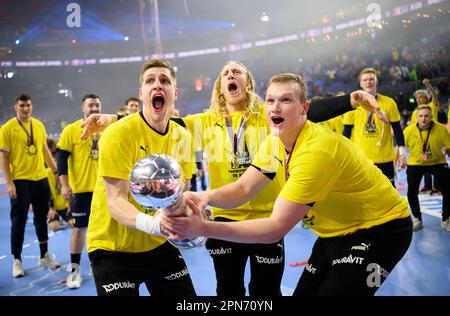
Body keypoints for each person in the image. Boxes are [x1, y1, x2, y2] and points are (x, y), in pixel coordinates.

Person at [80, 61, 385, 296]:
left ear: (247, 82)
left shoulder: (266, 118)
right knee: (229, 292)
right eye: (225, 73)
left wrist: (350, 100)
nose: (230, 76)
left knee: (266, 292)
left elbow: (305, 112)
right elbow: (159, 119)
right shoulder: (203, 123)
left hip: (266, 216)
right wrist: (113, 119)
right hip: (224, 219)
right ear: (220, 86)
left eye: (236, 71)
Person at [162, 73, 413, 296]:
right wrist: (203, 197)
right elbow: (244, 188)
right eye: (270, 100)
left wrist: (202, 228)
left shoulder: (316, 151)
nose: (275, 107)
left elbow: (275, 229)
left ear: (304, 108)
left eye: (285, 100)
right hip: (334, 233)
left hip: (382, 229)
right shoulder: (275, 141)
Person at [86, 59, 196, 296]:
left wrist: (185, 217)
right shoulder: (118, 133)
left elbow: (182, 188)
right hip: (113, 247)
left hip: (157, 244)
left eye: (164, 80)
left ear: (174, 93)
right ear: (141, 93)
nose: (157, 85)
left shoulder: (183, 136)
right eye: (150, 81)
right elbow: (115, 201)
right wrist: (154, 224)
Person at [0, 93, 61, 278]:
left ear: (31, 106)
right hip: (20, 180)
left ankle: (44, 255)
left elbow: (44, 150)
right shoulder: (8, 128)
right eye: (21, 106)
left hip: (40, 179)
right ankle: (17, 260)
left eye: (28, 105)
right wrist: (9, 182)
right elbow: (3, 157)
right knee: (18, 222)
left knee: (41, 219)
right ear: (15, 107)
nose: (25, 109)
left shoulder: (38, 125)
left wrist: (55, 171)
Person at [57, 94, 102, 289]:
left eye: (97, 105)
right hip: (81, 190)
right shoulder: (71, 130)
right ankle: (75, 271)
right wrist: (65, 185)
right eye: (90, 105)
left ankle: (99, 266)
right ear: (83, 108)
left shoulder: (108, 128)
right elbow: (61, 161)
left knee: (103, 229)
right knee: (79, 230)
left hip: (104, 189)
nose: (94, 108)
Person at [343, 68, 406, 187]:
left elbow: (397, 129)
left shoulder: (389, 103)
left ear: (377, 81)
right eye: (365, 80)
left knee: (389, 195)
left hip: (385, 159)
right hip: (361, 160)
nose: (368, 82)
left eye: (371, 79)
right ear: (361, 83)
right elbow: (346, 133)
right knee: (363, 195)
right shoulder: (352, 105)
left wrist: (402, 153)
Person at [403, 105, 450, 232]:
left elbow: (448, 146)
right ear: (416, 117)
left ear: (431, 117)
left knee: (448, 190)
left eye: (426, 116)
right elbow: (402, 146)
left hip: (437, 161)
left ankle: (446, 219)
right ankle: (417, 218)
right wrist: (400, 158)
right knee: (411, 192)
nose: (423, 119)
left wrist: (447, 149)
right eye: (421, 116)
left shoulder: (441, 129)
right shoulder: (408, 131)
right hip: (416, 163)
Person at [410, 79, 442, 194]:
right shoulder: (415, 112)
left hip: (434, 139)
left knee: (436, 164)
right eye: (417, 97)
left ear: (426, 98)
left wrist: (428, 85)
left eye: (421, 96)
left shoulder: (431, 106)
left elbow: (435, 96)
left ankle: (437, 187)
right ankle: (428, 186)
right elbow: (413, 128)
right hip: (421, 141)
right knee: (425, 163)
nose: (419, 98)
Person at [46, 138, 74, 232]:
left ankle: (63, 217)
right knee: (55, 227)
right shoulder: (47, 173)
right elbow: (46, 193)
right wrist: (50, 208)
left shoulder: (67, 171)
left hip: (65, 206)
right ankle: (49, 218)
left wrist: (71, 207)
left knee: (74, 224)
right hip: (54, 207)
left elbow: (72, 189)